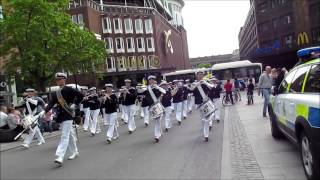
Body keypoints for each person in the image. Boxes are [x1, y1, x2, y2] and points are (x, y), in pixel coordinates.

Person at [44, 72, 84, 165]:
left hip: (68, 114)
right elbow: (51, 103)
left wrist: (75, 104)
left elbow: (81, 96)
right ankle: (74, 151)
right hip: (61, 115)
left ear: (64, 80)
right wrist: (45, 110)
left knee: (64, 135)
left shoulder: (69, 89)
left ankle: (60, 156)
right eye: (57, 80)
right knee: (69, 135)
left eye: (59, 79)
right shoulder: (56, 93)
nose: (58, 81)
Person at [191, 70, 214, 142]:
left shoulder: (205, 82)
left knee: (208, 117)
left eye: (201, 74)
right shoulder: (194, 84)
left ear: (203, 76)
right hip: (199, 103)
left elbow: (212, 87)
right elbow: (191, 90)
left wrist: (205, 83)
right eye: (199, 74)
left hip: (206, 102)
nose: (200, 76)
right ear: (196, 76)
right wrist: (197, 84)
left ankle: (206, 134)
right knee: (203, 120)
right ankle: (206, 135)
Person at [145, 75, 166, 142]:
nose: (151, 81)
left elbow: (164, 92)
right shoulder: (147, 89)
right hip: (152, 107)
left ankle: (158, 134)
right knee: (157, 121)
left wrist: (157, 87)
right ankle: (158, 134)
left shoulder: (157, 88)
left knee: (158, 121)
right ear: (149, 81)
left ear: (154, 81)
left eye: (152, 80)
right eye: (150, 80)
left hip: (159, 106)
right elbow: (144, 96)